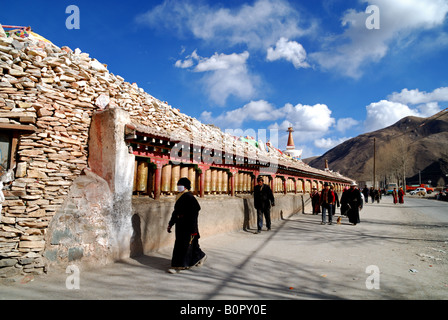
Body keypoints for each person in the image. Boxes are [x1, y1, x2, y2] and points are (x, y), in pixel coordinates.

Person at [167, 178, 206, 273]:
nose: (178, 186)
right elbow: (175, 212)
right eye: (178, 184)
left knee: (185, 246)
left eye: (180, 185)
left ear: (185, 186)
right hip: (180, 224)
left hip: (188, 225)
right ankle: (201, 256)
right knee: (184, 244)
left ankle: (180, 266)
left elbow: (194, 215)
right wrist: (171, 223)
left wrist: (194, 229)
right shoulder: (179, 196)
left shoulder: (190, 197)